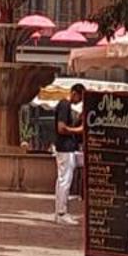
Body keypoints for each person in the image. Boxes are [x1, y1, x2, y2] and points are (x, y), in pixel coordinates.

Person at [52, 83, 85, 224]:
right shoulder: (65, 105)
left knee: (62, 180)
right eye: (80, 97)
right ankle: (62, 212)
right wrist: (79, 130)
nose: (79, 101)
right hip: (66, 148)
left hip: (65, 148)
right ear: (74, 93)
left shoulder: (64, 105)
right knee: (65, 180)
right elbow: (61, 128)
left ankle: (59, 211)